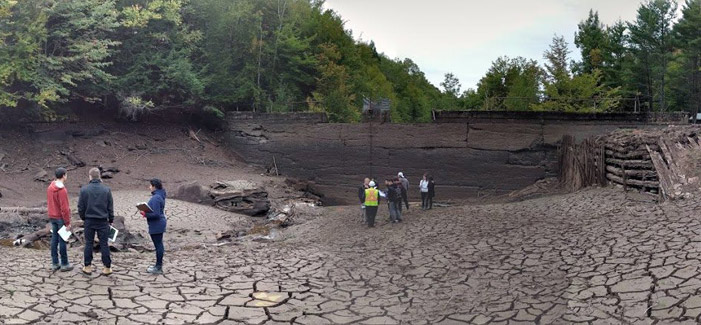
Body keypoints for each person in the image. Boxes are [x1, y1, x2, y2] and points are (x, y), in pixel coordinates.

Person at [78, 167, 114, 276]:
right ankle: (107, 267)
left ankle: (87, 266)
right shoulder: (106, 190)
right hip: (103, 221)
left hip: (89, 220)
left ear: (90, 176)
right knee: (104, 244)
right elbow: (110, 207)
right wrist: (111, 219)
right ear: (99, 176)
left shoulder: (84, 190)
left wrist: (84, 217)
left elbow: (81, 207)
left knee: (88, 243)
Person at [47, 167, 74, 272]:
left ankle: (55, 262)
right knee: (62, 240)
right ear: (63, 175)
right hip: (60, 218)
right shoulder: (62, 190)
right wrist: (67, 223)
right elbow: (65, 208)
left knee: (54, 239)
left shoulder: (50, 187)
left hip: (52, 216)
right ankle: (64, 263)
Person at [140, 179, 167, 274]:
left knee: (158, 245)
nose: (149, 187)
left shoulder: (156, 198)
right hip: (158, 223)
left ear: (154, 186)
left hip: (157, 224)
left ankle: (158, 267)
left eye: (150, 186)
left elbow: (156, 214)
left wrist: (144, 213)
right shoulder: (160, 196)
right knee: (159, 244)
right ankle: (158, 265)